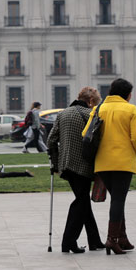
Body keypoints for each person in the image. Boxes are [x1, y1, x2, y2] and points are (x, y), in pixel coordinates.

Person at [83, 78, 136, 255]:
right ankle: (112, 239)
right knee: (118, 200)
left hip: (102, 162)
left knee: (117, 199)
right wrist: (134, 151)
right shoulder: (130, 109)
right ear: (128, 94)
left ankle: (122, 238)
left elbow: (85, 133)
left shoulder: (99, 108)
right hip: (123, 162)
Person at [48, 87, 105, 254]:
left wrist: (55, 163)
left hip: (66, 165)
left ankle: (94, 240)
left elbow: (51, 140)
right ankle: (68, 242)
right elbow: (97, 142)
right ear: (91, 102)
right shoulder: (90, 115)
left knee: (83, 201)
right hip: (83, 166)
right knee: (81, 202)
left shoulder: (63, 113)